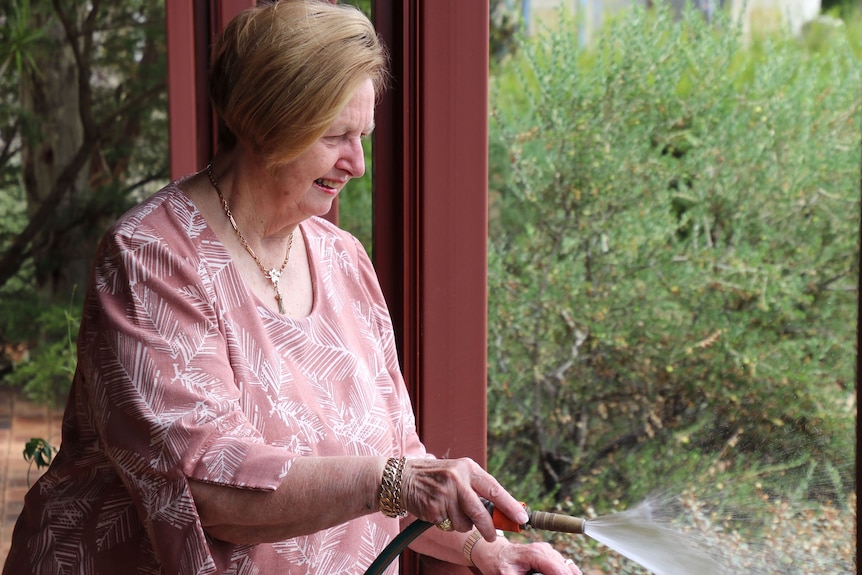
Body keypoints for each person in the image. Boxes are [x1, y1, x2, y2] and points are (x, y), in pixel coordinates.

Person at [2, 2, 582, 574]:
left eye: (365, 136)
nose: (357, 163)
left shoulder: (344, 261)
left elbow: (399, 460)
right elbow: (205, 491)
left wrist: (489, 551)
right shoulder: (152, 258)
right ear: (266, 122)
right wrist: (396, 481)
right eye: (336, 136)